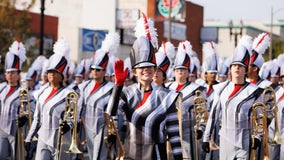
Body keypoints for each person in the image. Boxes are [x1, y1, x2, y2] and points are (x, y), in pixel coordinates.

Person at [106, 13, 182, 160]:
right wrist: (118, 86)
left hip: (157, 154)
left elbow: (173, 132)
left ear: (155, 69)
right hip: (131, 154)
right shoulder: (127, 93)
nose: (146, 70)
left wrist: (178, 157)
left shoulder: (168, 96)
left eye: (150, 66)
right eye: (141, 67)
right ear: (134, 71)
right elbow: (110, 113)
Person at [202, 35, 264, 159]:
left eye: (240, 66)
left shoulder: (255, 91)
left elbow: (260, 118)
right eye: (234, 65)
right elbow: (213, 115)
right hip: (225, 138)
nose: (237, 68)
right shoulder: (221, 89)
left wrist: (258, 137)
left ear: (245, 70)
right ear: (230, 69)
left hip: (245, 137)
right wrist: (206, 138)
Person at [25, 38, 74, 160]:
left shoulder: (69, 94)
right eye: (50, 71)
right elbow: (37, 118)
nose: (51, 74)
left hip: (61, 140)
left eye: (55, 72)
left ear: (61, 75)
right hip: (43, 137)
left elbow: (74, 117)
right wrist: (29, 137)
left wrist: (69, 125)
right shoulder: (42, 92)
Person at [77, 32, 120, 160]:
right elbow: (79, 108)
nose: (94, 72)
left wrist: (113, 132)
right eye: (93, 69)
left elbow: (114, 112)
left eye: (98, 69)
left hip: (103, 128)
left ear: (104, 71)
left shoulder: (111, 88)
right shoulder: (83, 86)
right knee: (91, 157)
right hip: (87, 129)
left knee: (98, 157)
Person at [0, 40, 29, 160]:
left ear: (18, 74)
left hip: (16, 131)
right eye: (8, 73)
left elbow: (30, 111)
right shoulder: (1, 88)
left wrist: (25, 117)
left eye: (13, 73)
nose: (10, 75)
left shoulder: (23, 91)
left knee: (16, 157)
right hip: (1, 129)